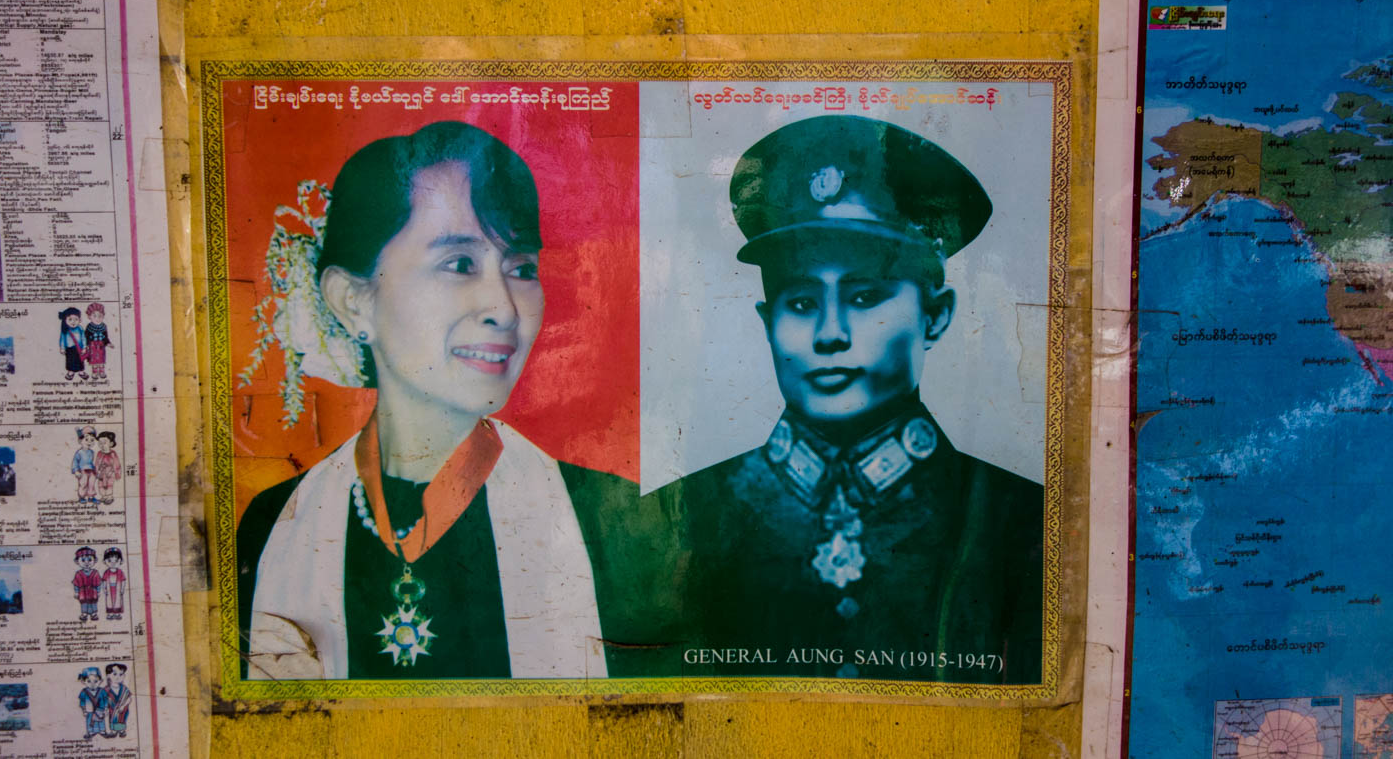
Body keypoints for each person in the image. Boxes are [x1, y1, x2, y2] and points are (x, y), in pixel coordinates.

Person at [236, 121, 640, 681]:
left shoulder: (612, 524)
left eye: (521, 269)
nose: (505, 308)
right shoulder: (274, 527)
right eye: (460, 264)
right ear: (352, 301)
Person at [673, 115, 1044, 684]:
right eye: (801, 303)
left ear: (935, 316)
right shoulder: (688, 513)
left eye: (866, 296)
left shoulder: (1020, 520)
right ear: (768, 324)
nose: (830, 334)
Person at [83, 303, 112, 381]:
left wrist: (108, 343)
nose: (97, 318)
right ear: (89, 317)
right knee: (94, 360)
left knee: (101, 359)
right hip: (92, 346)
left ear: (103, 316)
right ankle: (95, 372)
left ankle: (102, 371)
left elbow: (105, 337)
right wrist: (86, 345)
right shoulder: (89, 327)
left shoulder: (103, 326)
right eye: (94, 316)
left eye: (100, 316)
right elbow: (86, 337)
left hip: (101, 345)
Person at [77, 666, 107, 739]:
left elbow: (105, 699)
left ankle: (102, 731)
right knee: (90, 721)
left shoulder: (102, 691)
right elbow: (82, 702)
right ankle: (91, 732)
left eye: (96, 681)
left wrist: (106, 708)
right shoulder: (84, 692)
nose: (92, 684)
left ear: (101, 681)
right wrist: (84, 710)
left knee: (101, 720)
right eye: (89, 681)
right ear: (83, 682)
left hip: (100, 710)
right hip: (89, 710)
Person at [72, 547, 100, 622]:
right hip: (83, 592)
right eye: (83, 560)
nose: (86, 563)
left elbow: (98, 583)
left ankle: (93, 614)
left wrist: (98, 591)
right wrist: (76, 592)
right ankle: (84, 614)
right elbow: (76, 584)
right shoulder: (78, 574)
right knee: (84, 602)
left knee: (93, 602)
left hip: (93, 592)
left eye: (90, 560)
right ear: (77, 562)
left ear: (95, 560)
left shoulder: (95, 573)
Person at [58, 307, 86, 381]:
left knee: (80, 360)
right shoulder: (65, 329)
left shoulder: (80, 328)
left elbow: (83, 338)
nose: (73, 322)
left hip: (79, 348)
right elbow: (62, 339)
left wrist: (84, 347)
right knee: (70, 360)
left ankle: (81, 371)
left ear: (80, 320)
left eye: (76, 319)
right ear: (65, 320)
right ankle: (71, 372)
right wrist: (62, 348)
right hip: (69, 349)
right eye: (70, 319)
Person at [103, 663, 131, 736]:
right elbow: (103, 700)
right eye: (115, 674)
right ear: (108, 675)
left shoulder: (124, 689)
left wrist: (123, 706)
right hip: (111, 710)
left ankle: (121, 731)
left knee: (121, 719)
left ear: (124, 676)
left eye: (121, 674)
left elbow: (129, 698)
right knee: (112, 720)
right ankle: (113, 731)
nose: (118, 677)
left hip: (122, 710)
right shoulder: (106, 689)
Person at [71, 427, 97, 503]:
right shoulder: (79, 452)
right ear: (80, 441)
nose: (89, 442)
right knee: (83, 484)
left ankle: (91, 497)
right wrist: (76, 471)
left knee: (91, 484)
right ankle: (82, 497)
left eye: (92, 440)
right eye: (86, 439)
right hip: (83, 471)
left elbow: (92, 462)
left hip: (91, 471)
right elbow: (75, 462)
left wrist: (95, 470)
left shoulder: (92, 452)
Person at [94, 431, 121, 506]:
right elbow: (97, 463)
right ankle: (104, 496)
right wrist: (96, 472)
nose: (102, 445)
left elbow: (117, 464)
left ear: (111, 444)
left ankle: (109, 497)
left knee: (109, 485)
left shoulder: (113, 454)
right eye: (100, 443)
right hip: (101, 473)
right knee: (100, 485)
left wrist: (117, 474)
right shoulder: (99, 453)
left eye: (104, 443)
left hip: (110, 473)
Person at [102, 548, 127, 620]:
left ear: (120, 561)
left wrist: (122, 589)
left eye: (116, 560)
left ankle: (117, 613)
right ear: (105, 561)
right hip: (109, 589)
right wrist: (104, 589)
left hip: (118, 589)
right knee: (109, 602)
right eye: (109, 561)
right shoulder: (106, 572)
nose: (113, 563)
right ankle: (110, 613)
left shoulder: (120, 572)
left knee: (118, 601)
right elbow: (104, 581)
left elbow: (123, 581)